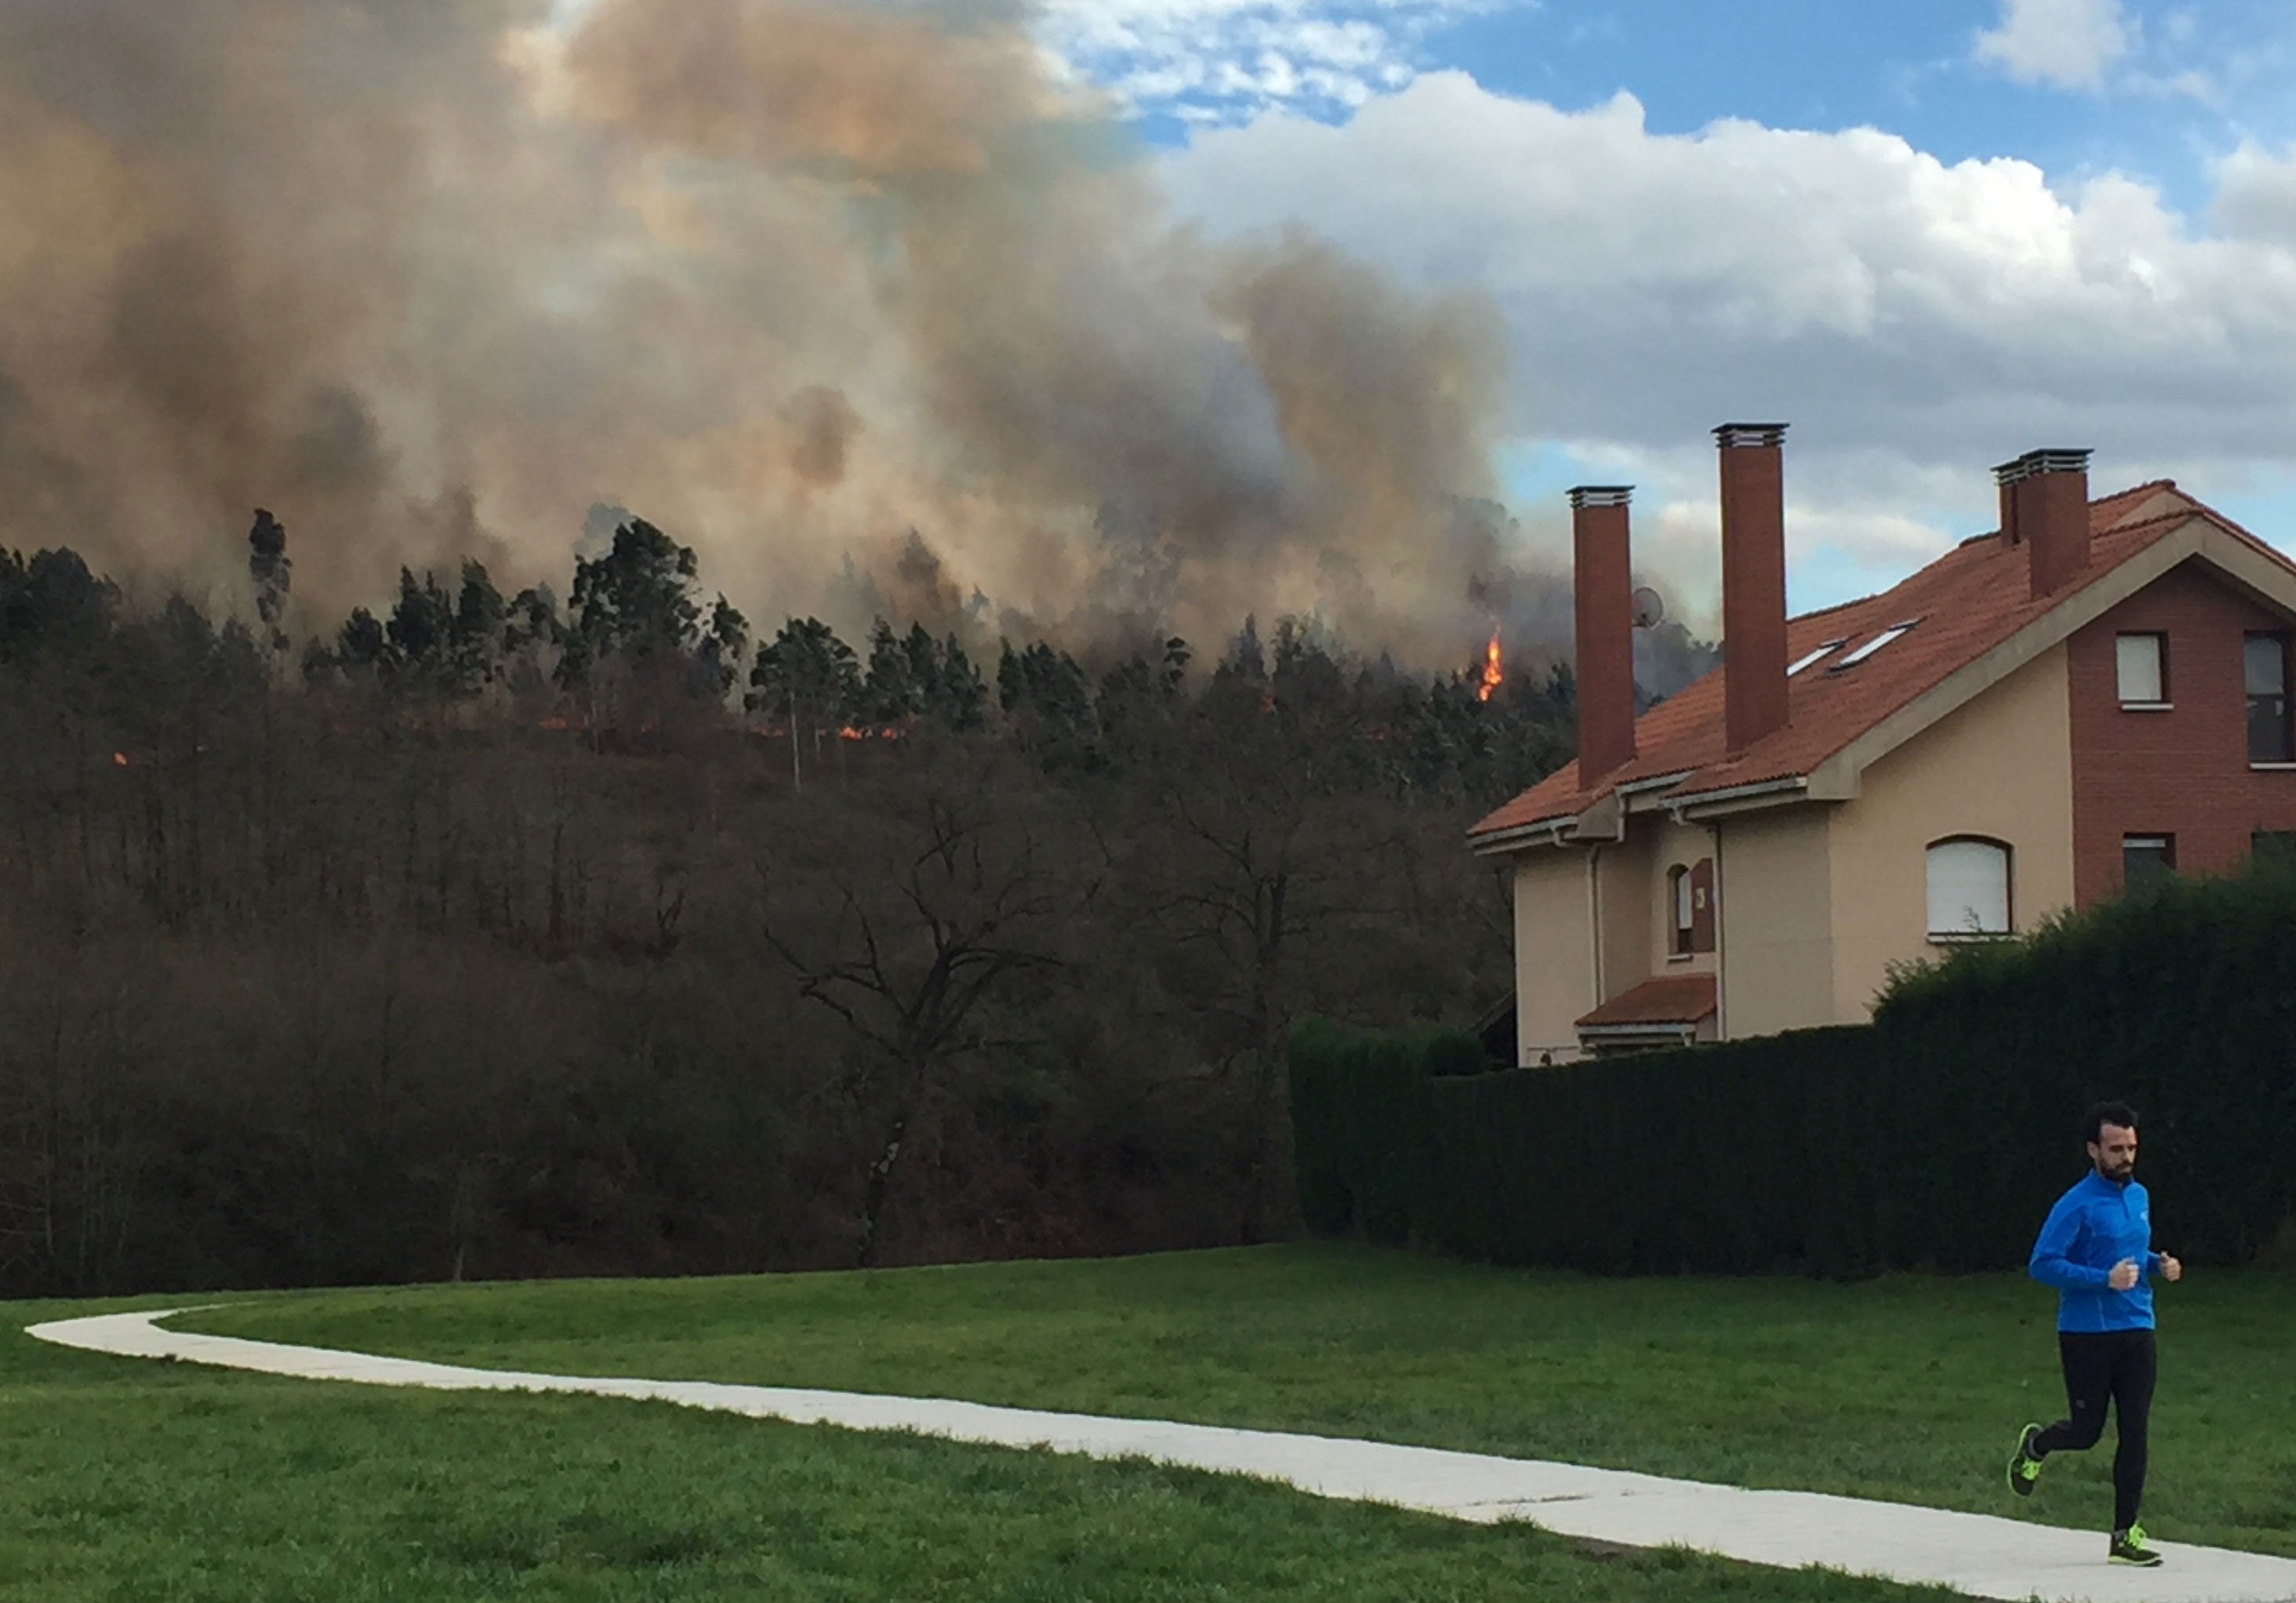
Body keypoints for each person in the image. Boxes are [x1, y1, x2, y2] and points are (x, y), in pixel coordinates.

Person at [2005, 1101, 2182, 1567]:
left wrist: (2158, 1266)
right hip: (2087, 1333)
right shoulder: (2075, 1205)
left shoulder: (2139, 1196)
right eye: (2116, 1149)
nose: (2126, 1157)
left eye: (2132, 1148)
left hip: (2138, 1326)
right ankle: (2036, 1445)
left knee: (2136, 1431)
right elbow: (2043, 1264)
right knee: (2087, 1432)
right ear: (2093, 1150)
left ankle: (2124, 1535)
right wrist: (2102, 1279)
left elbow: (2132, 1253)